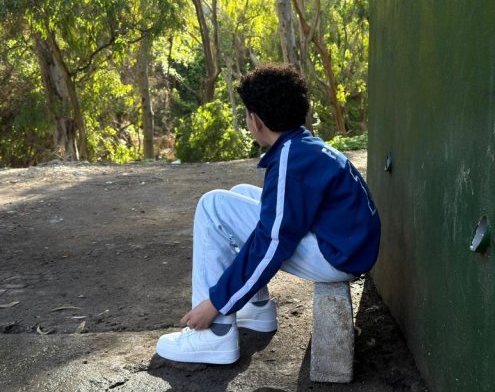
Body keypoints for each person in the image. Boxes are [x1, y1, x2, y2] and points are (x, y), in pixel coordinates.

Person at [156, 64, 381, 364]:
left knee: (213, 206)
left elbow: (272, 243)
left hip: (339, 257)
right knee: (241, 193)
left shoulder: (292, 158)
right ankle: (257, 307)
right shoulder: (302, 145)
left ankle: (214, 334)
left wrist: (216, 302)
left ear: (256, 121)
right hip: (348, 246)